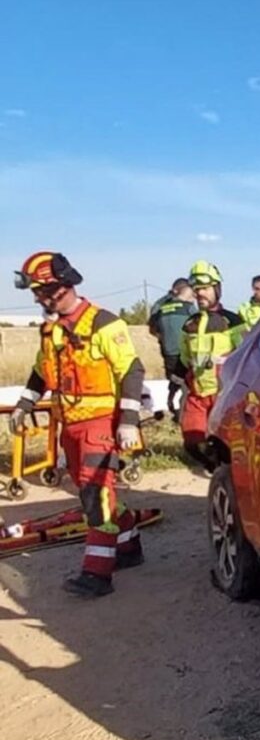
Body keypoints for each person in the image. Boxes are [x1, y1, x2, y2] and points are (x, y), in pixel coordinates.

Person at [10, 251, 146, 598]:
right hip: (70, 425)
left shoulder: (104, 324)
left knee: (94, 494)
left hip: (100, 424)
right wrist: (25, 403)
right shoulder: (52, 329)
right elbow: (42, 371)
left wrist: (128, 421)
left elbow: (131, 370)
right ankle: (128, 547)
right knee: (96, 489)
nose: (38, 298)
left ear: (61, 287)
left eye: (41, 291)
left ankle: (97, 574)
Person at [172, 260, 243, 471]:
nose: (199, 293)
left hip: (224, 395)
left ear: (217, 288)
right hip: (198, 394)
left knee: (227, 446)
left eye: (204, 288)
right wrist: (174, 384)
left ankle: (225, 476)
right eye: (196, 289)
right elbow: (184, 359)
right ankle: (214, 468)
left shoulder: (232, 322)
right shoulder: (190, 324)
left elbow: (246, 357)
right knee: (192, 441)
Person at [147, 277, 195, 421]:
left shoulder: (161, 307)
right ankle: (183, 415)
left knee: (175, 382)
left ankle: (174, 409)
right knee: (189, 386)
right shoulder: (188, 308)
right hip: (186, 353)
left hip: (168, 353)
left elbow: (152, 328)